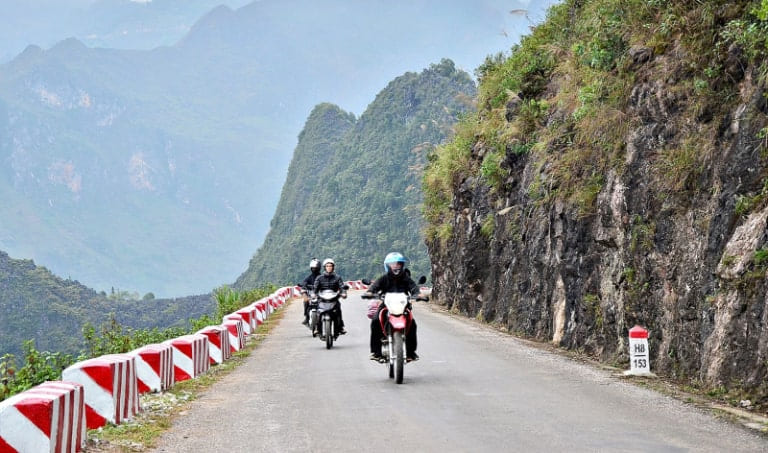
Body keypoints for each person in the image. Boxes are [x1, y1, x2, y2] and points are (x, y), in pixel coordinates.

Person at [365, 252, 422, 362]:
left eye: (398, 264)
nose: (396, 266)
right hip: (386, 304)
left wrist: (418, 294)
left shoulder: (406, 278)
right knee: (375, 321)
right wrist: (370, 292)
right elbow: (375, 286)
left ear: (402, 265)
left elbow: (413, 287)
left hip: (403, 305)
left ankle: (411, 352)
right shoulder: (384, 278)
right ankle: (376, 352)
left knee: (413, 324)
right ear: (387, 266)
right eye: (393, 264)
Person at [311, 258, 347, 335]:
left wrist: (343, 293)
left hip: (334, 299)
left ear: (333, 267)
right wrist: (314, 294)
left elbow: (342, 287)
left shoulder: (337, 277)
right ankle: (317, 328)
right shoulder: (319, 278)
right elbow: (315, 288)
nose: (329, 267)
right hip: (322, 299)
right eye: (327, 266)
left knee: (338, 310)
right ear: (325, 267)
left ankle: (340, 327)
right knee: (318, 311)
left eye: (330, 266)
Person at [299, 258, 321, 325]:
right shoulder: (309, 277)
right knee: (306, 302)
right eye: (313, 268)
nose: (314, 269)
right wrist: (303, 285)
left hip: (321, 294)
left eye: (315, 268)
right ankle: (306, 317)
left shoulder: (322, 277)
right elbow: (304, 282)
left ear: (319, 268)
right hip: (312, 294)